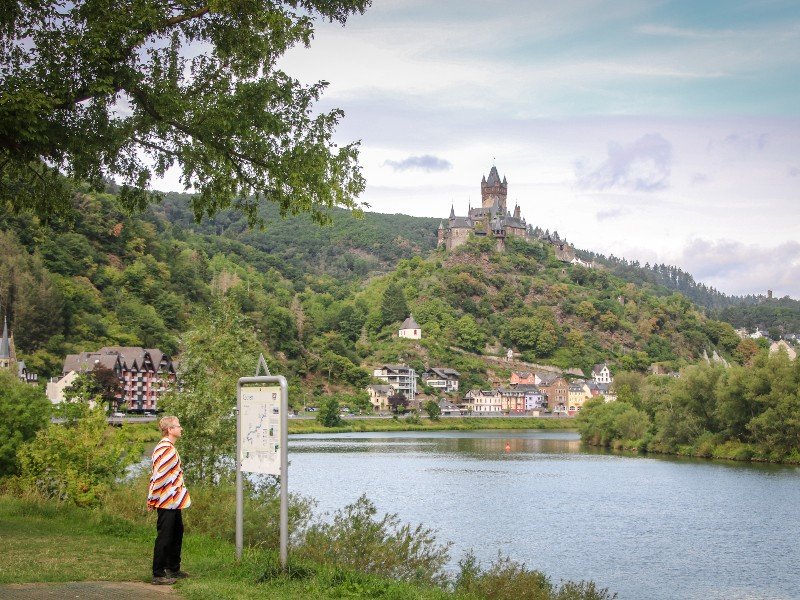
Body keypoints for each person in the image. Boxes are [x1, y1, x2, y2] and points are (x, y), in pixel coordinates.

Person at [148, 415, 191, 585]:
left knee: (177, 532)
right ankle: (158, 574)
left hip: (173, 500)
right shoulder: (167, 449)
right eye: (178, 426)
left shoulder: (167, 447)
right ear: (170, 430)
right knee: (165, 536)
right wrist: (152, 499)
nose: (181, 428)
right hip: (166, 500)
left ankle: (173, 568)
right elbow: (160, 477)